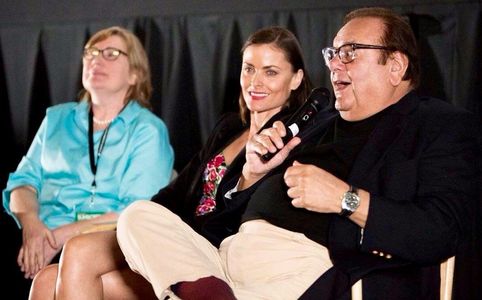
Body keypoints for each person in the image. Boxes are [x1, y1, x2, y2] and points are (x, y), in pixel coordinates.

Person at [117, 7, 479, 300]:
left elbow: (442, 230)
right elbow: (218, 223)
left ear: (396, 67)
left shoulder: (439, 125)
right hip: (227, 257)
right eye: (333, 53)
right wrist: (252, 177)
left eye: (350, 53)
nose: (335, 64)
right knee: (138, 217)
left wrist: (345, 199)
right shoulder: (316, 123)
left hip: (301, 268)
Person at [28, 26, 312, 300]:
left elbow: (252, 218)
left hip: (210, 255)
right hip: (175, 235)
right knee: (48, 277)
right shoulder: (230, 127)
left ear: (296, 79)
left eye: (271, 72)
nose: (255, 82)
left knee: (75, 261)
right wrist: (140, 229)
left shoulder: (286, 139)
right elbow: (176, 194)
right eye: (249, 68)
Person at [2, 26, 174, 283]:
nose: (97, 59)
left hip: (108, 238)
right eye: (91, 53)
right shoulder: (56, 119)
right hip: (42, 236)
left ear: (135, 75)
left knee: (56, 275)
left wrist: (60, 236)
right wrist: (32, 226)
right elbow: (23, 183)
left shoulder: (147, 129)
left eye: (112, 53)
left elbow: (136, 209)